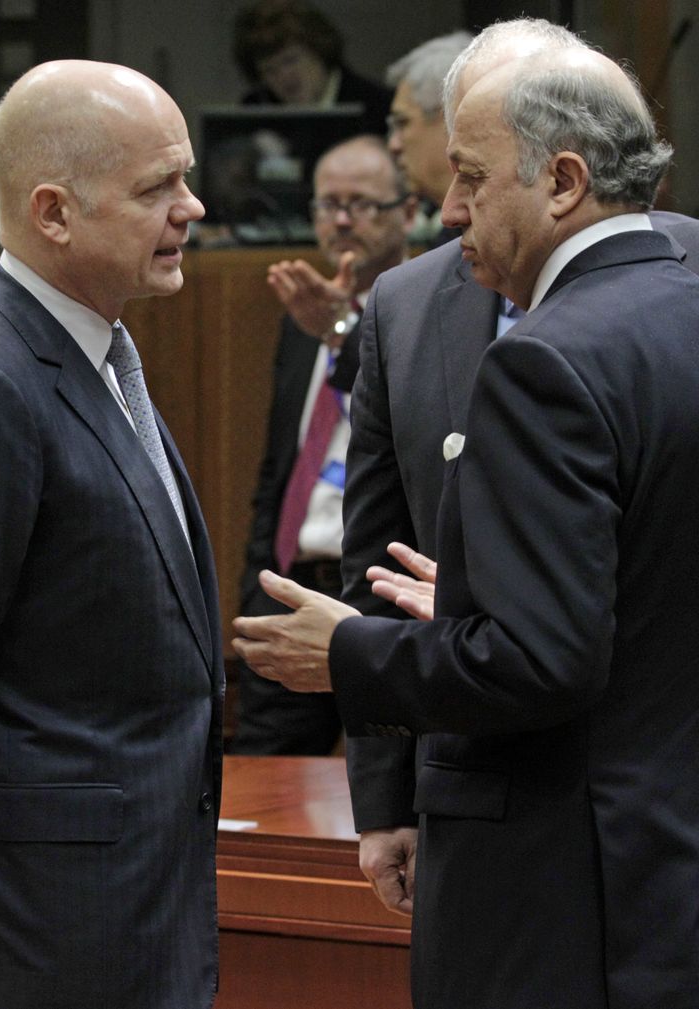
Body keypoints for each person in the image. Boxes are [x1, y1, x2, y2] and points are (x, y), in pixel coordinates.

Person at [232, 34, 699, 1009]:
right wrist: (500, 597)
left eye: (473, 178)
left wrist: (352, 652)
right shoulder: (687, 309)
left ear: (564, 181)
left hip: (566, 891)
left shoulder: (546, 357)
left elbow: (543, 667)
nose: (449, 211)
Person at [0, 60, 224, 1009]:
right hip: (44, 936)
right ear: (54, 213)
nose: (195, 207)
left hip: (132, 913)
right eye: (156, 188)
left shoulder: (100, 348)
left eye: (186, 176)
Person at [231, 135, 415, 753]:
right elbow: (278, 465)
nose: (340, 220)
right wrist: (257, 578)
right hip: (291, 584)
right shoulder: (303, 317)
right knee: (260, 787)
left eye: (361, 204)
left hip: (381, 596)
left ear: (409, 213)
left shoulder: (430, 315)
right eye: (326, 204)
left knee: (385, 802)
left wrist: (345, 334)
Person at [233, 0, 392, 136]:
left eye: (290, 61)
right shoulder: (255, 114)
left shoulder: (378, 107)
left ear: (320, 51)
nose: (284, 76)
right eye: (269, 70)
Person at [384, 32, 472, 244]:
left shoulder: (489, 236)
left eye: (403, 122)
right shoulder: (452, 232)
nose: (393, 145)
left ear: (452, 118)